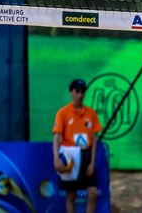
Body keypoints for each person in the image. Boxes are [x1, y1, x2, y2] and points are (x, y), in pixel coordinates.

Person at [52, 79, 102, 213]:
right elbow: (56, 137)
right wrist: (56, 158)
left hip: (86, 155)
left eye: (82, 92)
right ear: (70, 93)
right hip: (70, 157)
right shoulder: (62, 113)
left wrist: (92, 162)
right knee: (71, 195)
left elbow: (94, 138)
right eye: (77, 91)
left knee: (93, 193)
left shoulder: (91, 113)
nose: (80, 95)